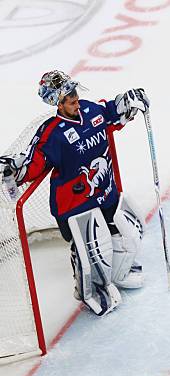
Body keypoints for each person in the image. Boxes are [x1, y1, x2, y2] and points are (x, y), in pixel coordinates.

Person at [0, 70, 149, 316]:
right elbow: (35, 162)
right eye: (68, 98)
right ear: (56, 103)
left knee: (128, 235)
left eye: (74, 94)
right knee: (95, 249)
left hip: (105, 193)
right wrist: (17, 167)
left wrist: (127, 102)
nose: (75, 99)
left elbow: (111, 114)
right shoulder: (53, 133)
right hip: (75, 207)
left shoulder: (91, 111)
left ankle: (116, 274)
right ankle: (89, 289)